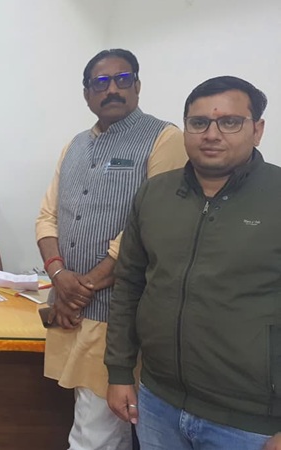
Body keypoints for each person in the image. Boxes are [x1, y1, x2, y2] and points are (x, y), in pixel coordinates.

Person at [105, 76, 281, 449]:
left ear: (257, 130)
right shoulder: (155, 194)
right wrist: (119, 372)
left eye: (230, 122)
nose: (211, 134)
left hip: (251, 422)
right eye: (199, 123)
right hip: (158, 402)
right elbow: (129, 286)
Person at [34, 48, 187, 449]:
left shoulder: (164, 139)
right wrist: (58, 276)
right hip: (69, 310)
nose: (112, 89)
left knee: (95, 431)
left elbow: (152, 227)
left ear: (138, 85)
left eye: (123, 79)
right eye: (101, 83)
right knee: (95, 420)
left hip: (116, 314)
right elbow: (47, 216)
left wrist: (81, 288)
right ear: (87, 93)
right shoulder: (75, 145)